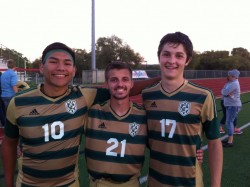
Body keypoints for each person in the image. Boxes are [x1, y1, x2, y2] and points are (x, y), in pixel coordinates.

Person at [1, 42, 161, 187]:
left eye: (67, 63)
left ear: (73, 70)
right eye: (53, 61)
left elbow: (122, 88)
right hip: (28, 184)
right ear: (41, 67)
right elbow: (9, 142)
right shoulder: (19, 102)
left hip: (69, 183)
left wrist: (163, 77)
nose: (60, 68)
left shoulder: (82, 96)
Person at [142, 32, 223, 187]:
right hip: (155, 182)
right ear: (159, 57)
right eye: (166, 54)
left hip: (189, 182)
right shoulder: (147, 95)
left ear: (188, 60)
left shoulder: (203, 96)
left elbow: (214, 143)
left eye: (179, 56)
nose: (172, 61)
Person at [85, 61, 148, 187]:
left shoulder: (143, 116)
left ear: (131, 84)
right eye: (114, 80)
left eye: (125, 79)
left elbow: (162, 144)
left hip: (130, 184)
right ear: (107, 84)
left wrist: (196, 151)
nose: (120, 84)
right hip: (98, 184)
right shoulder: (92, 113)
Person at [221, 69, 242, 148]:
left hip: (233, 106)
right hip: (231, 105)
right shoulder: (232, 83)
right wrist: (225, 91)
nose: (228, 76)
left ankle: (230, 142)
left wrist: (225, 92)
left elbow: (224, 92)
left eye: (229, 75)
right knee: (229, 122)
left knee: (229, 122)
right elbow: (224, 91)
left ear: (233, 76)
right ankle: (230, 139)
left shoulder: (234, 84)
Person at [0, 59, 18, 126]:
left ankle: (7, 126)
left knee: (7, 112)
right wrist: (17, 94)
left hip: (3, 96)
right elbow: (13, 85)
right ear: (14, 66)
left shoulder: (3, 75)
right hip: (11, 95)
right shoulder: (13, 74)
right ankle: (13, 128)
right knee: (13, 113)